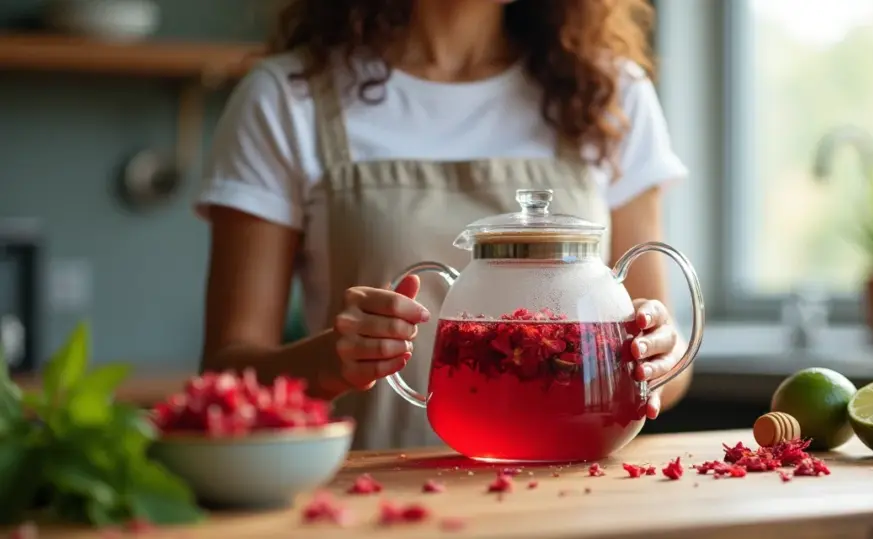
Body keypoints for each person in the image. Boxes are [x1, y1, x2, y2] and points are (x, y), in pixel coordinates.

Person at [195, 0, 694, 451]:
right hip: (371, 491)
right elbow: (224, 375)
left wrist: (656, 351)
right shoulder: (287, 97)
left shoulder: (610, 93)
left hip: (569, 494)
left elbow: (666, 373)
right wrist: (329, 362)